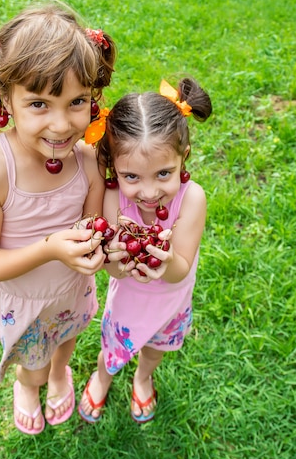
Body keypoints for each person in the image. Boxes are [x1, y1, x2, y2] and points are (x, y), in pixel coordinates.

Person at [0, 0, 117, 434]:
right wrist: (50, 248)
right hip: (24, 304)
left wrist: (102, 249)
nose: (62, 123)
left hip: (72, 291)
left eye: (77, 101)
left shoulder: (87, 159)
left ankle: (60, 372)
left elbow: (92, 227)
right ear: (4, 98)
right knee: (33, 360)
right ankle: (28, 386)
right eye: (39, 105)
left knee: (64, 344)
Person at [78, 77, 212, 423]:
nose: (150, 193)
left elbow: (179, 267)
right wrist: (119, 261)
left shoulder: (192, 198)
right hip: (129, 297)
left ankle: (143, 375)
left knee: (156, 348)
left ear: (184, 158)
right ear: (114, 168)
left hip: (172, 297)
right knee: (112, 347)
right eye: (132, 177)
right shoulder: (112, 197)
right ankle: (103, 376)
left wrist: (163, 263)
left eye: (164, 173)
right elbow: (110, 265)